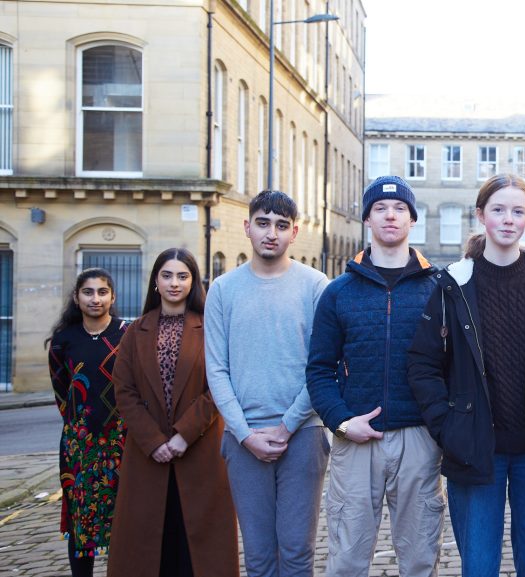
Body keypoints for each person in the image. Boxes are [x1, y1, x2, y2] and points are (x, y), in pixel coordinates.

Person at [407, 173, 525, 577]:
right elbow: (423, 365)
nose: (508, 219)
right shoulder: (453, 284)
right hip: (474, 447)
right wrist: (448, 426)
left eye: (517, 211)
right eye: (498, 210)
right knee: (478, 565)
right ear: (481, 215)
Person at [307, 175, 443, 577]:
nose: (390, 215)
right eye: (381, 208)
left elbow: (452, 366)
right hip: (356, 440)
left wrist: (441, 424)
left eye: (400, 208)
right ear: (367, 218)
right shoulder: (339, 292)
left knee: (420, 558)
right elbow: (319, 369)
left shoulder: (437, 288)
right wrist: (343, 421)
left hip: (419, 437)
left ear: (412, 219)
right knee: (347, 559)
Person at [206, 190, 330, 577]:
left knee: (296, 554)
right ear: (247, 227)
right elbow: (216, 369)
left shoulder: (316, 285)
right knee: (258, 557)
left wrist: (287, 425)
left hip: (303, 434)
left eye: (280, 225)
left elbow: (322, 365)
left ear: (294, 232)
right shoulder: (223, 290)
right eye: (262, 223)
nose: (270, 233)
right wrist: (245, 434)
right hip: (243, 438)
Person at [106, 248, 237, 577]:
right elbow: (124, 391)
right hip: (148, 454)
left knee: (198, 548)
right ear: (155, 282)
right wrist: (153, 441)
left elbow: (220, 386)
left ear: (193, 282)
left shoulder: (211, 328)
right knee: (149, 544)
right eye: (167, 275)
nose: (174, 283)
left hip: (199, 449)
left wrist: (183, 435)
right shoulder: (136, 332)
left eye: (182, 276)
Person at [47, 268, 128, 576]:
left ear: (113, 296)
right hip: (79, 447)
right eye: (88, 292)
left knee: (126, 519)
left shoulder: (128, 335)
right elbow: (62, 393)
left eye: (102, 292)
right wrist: (82, 428)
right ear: (76, 298)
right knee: (82, 522)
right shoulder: (62, 341)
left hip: (124, 443)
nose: (96, 299)